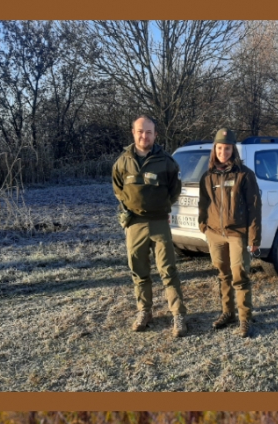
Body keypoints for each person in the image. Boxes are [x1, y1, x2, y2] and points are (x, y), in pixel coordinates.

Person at [112, 116, 186, 337]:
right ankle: (144, 311)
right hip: (134, 224)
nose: (144, 136)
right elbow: (118, 188)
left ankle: (178, 315)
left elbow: (174, 190)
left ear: (155, 135)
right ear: (133, 133)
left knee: (168, 270)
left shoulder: (167, 162)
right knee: (139, 271)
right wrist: (128, 207)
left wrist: (162, 207)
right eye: (140, 131)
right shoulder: (123, 162)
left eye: (149, 132)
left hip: (159, 222)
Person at [197, 128, 261, 337]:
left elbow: (254, 207)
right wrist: (203, 226)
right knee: (223, 274)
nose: (223, 152)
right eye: (219, 148)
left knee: (239, 275)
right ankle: (228, 312)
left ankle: (244, 318)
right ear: (214, 149)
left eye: (227, 148)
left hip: (237, 234)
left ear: (233, 150)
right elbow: (203, 203)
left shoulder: (245, 174)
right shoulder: (208, 176)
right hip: (215, 233)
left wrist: (254, 237)